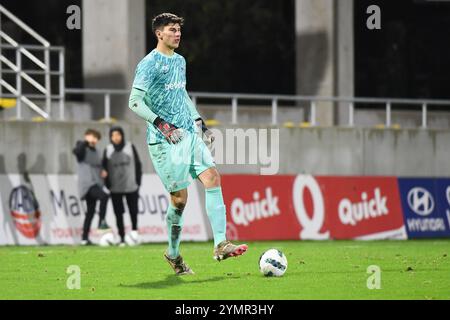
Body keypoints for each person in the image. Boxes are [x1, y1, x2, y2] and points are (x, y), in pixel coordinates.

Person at [128, 13, 248, 275]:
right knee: (180, 200)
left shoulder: (180, 61)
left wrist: (196, 118)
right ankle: (173, 254)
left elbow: (181, 92)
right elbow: (134, 101)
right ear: (159, 34)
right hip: (164, 141)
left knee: (213, 178)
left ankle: (220, 244)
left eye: (179, 30)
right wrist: (160, 123)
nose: (178, 34)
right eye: (172, 30)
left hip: (188, 135)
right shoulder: (148, 64)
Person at [102, 126, 142, 246]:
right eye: (113, 135)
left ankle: (134, 234)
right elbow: (103, 169)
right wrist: (108, 185)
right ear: (110, 137)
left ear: (122, 135)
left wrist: (138, 182)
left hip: (131, 186)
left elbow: (138, 164)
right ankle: (122, 238)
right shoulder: (108, 150)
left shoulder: (130, 147)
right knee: (118, 214)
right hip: (115, 188)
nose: (116, 137)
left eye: (118, 134)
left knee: (133, 211)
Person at [73, 128, 110, 245]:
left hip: (96, 183)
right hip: (87, 184)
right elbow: (77, 152)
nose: (94, 140)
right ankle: (101, 222)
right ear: (86, 136)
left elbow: (98, 166)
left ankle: (84, 238)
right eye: (92, 137)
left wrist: (103, 171)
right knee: (104, 196)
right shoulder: (82, 148)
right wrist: (85, 142)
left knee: (90, 212)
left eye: (96, 138)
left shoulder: (97, 152)